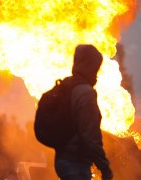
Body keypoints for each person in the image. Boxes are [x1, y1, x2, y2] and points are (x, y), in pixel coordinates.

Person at [54, 45, 113, 180]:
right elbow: (90, 136)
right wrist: (104, 167)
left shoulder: (67, 85)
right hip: (77, 163)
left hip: (62, 160)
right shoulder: (85, 93)